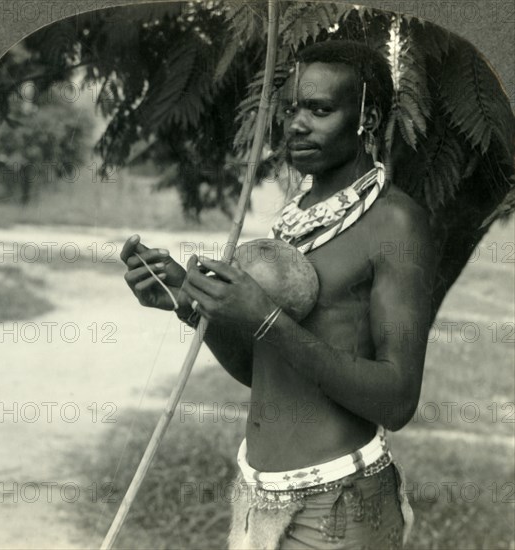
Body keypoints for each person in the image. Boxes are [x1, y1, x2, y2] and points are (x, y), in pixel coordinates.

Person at [120, 40, 435, 549]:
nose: (296, 125)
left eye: (319, 109)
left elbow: (397, 400)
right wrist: (188, 299)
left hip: (340, 512)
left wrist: (267, 319)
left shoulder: (396, 223)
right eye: (291, 109)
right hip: (256, 502)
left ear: (367, 118)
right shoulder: (298, 218)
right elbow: (262, 370)